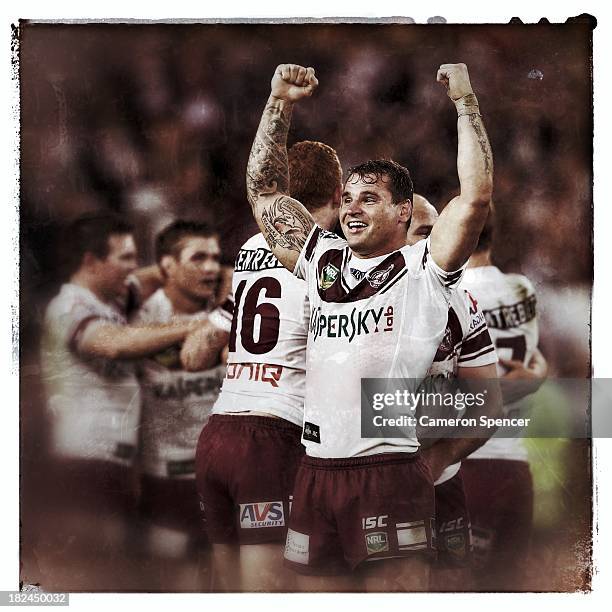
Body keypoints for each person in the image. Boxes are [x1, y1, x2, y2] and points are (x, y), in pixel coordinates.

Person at [246, 63, 496, 591]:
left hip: (388, 470)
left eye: (370, 198)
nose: (351, 209)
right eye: (348, 198)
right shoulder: (318, 257)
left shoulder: (426, 270)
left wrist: (465, 103)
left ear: (403, 212)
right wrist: (278, 103)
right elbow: (265, 193)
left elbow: (475, 196)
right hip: (315, 468)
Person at [194, 140, 343, 591]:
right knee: (271, 594)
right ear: (338, 195)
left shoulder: (247, 247)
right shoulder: (332, 257)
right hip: (273, 434)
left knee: (226, 591)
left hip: (220, 427)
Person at [40, 213, 206, 584]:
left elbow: (149, 277)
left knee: (140, 566)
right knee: (100, 576)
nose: (134, 267)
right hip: (83, 462)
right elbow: (114, 345)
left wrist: (189, 267)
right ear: (90, 262)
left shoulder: (110, 300)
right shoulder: (70, 307)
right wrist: (193, 324)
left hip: (112, 463)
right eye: (125, 257)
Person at [407, 194, 498, 590]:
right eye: (425, 234)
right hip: (367, 483)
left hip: (441, 483)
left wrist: (437, 459)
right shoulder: (344, 301)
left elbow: (489, 409)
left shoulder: (461, 302)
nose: (439, 244)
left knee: (452, 590)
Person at [134, 220, 226, 591]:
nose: (210, 267)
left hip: (219, 478)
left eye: (216, 258)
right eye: (198, 257)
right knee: (176, 589)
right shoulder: (138, 317)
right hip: (166, 481)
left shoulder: (228, 314)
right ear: (168, 266)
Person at [460, 217, 547, 591]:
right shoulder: (523, 289)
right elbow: (533, 359)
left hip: (466, 466)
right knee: (507, 591)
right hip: (515, 468)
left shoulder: (453, 291)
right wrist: (540, 374)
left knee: (454, 590)